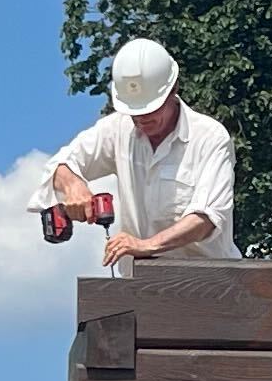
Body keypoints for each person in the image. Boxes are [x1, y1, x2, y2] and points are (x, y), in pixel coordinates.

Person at [48, 37, 241, 266]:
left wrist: (145, 245)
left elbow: (206, 219)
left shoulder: (210, 137)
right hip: (142, 287)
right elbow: (62, 164)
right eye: (134, 111)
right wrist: (73, 186)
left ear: (174, 89)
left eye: (152, 108)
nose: (142, 118)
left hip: (213, 287)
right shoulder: (118, 128)